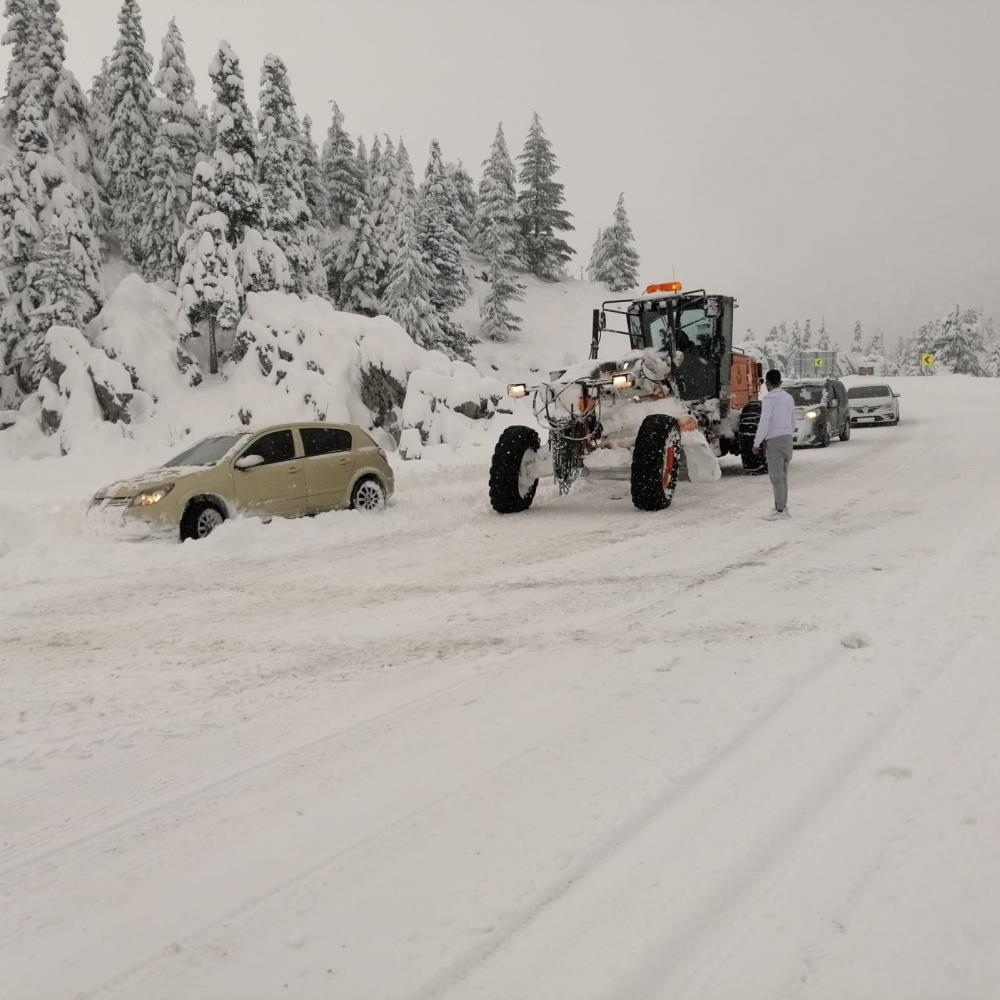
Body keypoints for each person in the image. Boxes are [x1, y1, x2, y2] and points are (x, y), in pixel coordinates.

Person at [752, 369, 796, 519]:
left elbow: (764, 423)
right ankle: (782, 506)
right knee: (783, 476)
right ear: (780, 382)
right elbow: (792, 420)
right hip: (787, 438)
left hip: (775, 440)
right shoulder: (789, 398)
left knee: (776, 477)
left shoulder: (769, 400)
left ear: (767, 383)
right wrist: (789, 433)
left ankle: (780, 510)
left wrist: (756, 442)